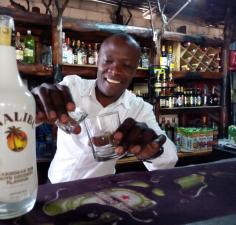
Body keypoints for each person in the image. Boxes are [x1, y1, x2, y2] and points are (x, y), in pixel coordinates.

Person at [32, 33, 178, 184]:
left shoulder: (139, 108)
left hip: (101, 190)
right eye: (108, 61)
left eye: (126, 65)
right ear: (97, 61)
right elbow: (24, 121)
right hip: (56, 184)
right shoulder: (72, 86)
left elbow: (170, 159)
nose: (115, 70)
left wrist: (153, 150)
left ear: (135, 70)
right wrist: (32, 107)